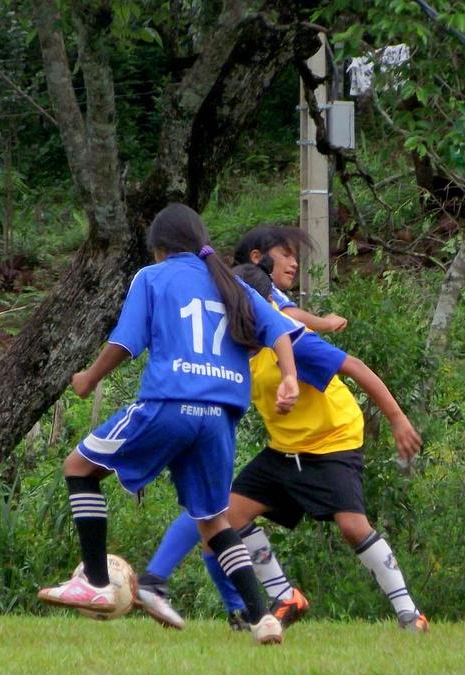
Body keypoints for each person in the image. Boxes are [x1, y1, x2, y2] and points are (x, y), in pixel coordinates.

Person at [36, 203, 302, 645]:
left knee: (78, 469)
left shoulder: (152, 277)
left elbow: (125, 341)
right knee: (215, 522)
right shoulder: (231, 283)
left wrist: (88, 379)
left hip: (169, 403)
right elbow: (279, 330)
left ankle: (97, 585)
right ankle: (262, 619)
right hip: (218, 418)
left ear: (159, 249)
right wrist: (289, 377)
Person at [138, 261, 428, 633]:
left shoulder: (292, 341)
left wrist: (397, 419)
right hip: (284, 450)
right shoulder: (237, 344)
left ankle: (409, 612)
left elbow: (354, 366)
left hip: (331, 443)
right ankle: (285, 596)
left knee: (353, 527)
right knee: (228, 516)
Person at [136, 225, 350, 630]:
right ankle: (241, 607)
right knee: (214, 514)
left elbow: (288, 317)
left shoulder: (246, 291)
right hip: (215, 399)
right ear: (258, 258)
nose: (294, 262)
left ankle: (183, 588)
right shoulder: (242, 289)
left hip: (232, 408)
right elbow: (284, 317)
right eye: (285, 253)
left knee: (213, 513)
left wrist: (317, 325)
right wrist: (319, 324)